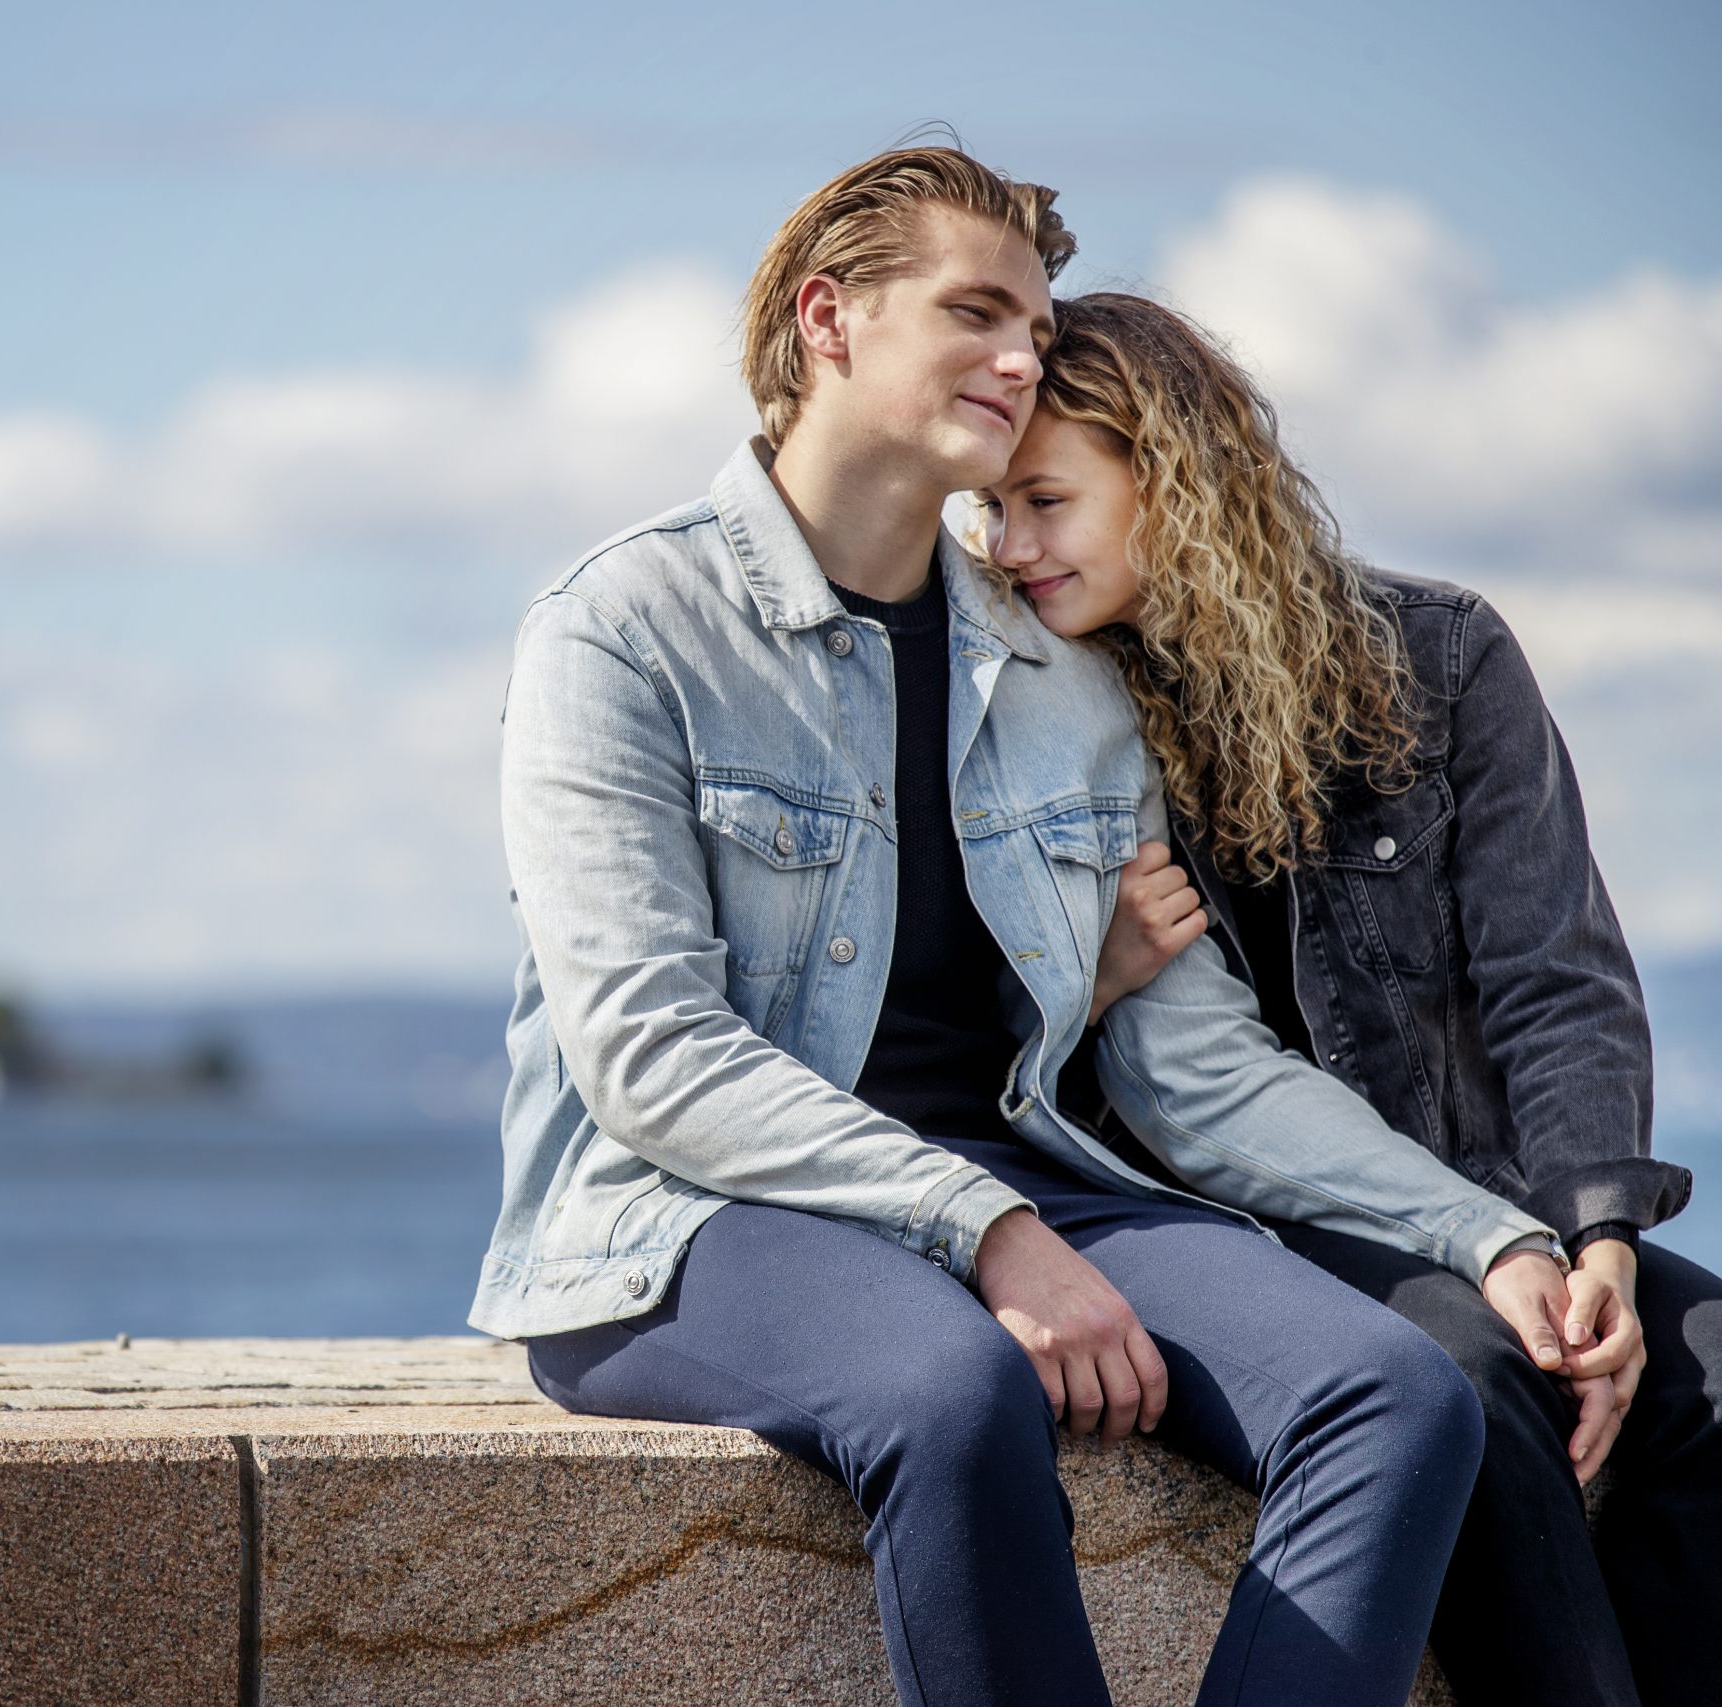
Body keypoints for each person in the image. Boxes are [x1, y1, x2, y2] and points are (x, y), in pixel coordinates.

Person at [472, 146, 1587, 1707]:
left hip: (1016, 1181)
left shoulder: (1060, 678)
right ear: (830, 318)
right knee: (951, 1386)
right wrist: (987, 1236)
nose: (1022, 359)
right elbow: (650, 1058)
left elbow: (1203, 1072)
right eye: (977, 311)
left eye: (1039, 328)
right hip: (687, 1219)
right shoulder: (624, 630)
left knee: (1396, 1392)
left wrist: (1488, 1233)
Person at [979, 289, 1717, 1707]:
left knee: (1713, 1366)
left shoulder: (1443, 661)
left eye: (1046, 502)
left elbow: (1556, 982)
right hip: (1232, 1232)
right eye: (995, 512)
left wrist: (1601, 1241)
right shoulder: (1049, 716)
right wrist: (1096, 981)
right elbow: (1047, 1068)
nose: (1012, 550)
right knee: (1472, 1373)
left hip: (1468, 1198)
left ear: (1174, 480)